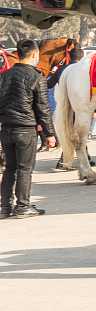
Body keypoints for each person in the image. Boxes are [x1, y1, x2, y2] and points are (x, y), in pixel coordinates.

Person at [0, 40, 56, 219]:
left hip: (6, 129)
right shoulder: (37, 78)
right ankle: (23, 206)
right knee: (24, 169)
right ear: (34, 55)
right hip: (26, 130)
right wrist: (49, 133)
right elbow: (43, 108)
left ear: (17, 54)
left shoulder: (3, 76)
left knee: (10, 168)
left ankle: (5, 207)